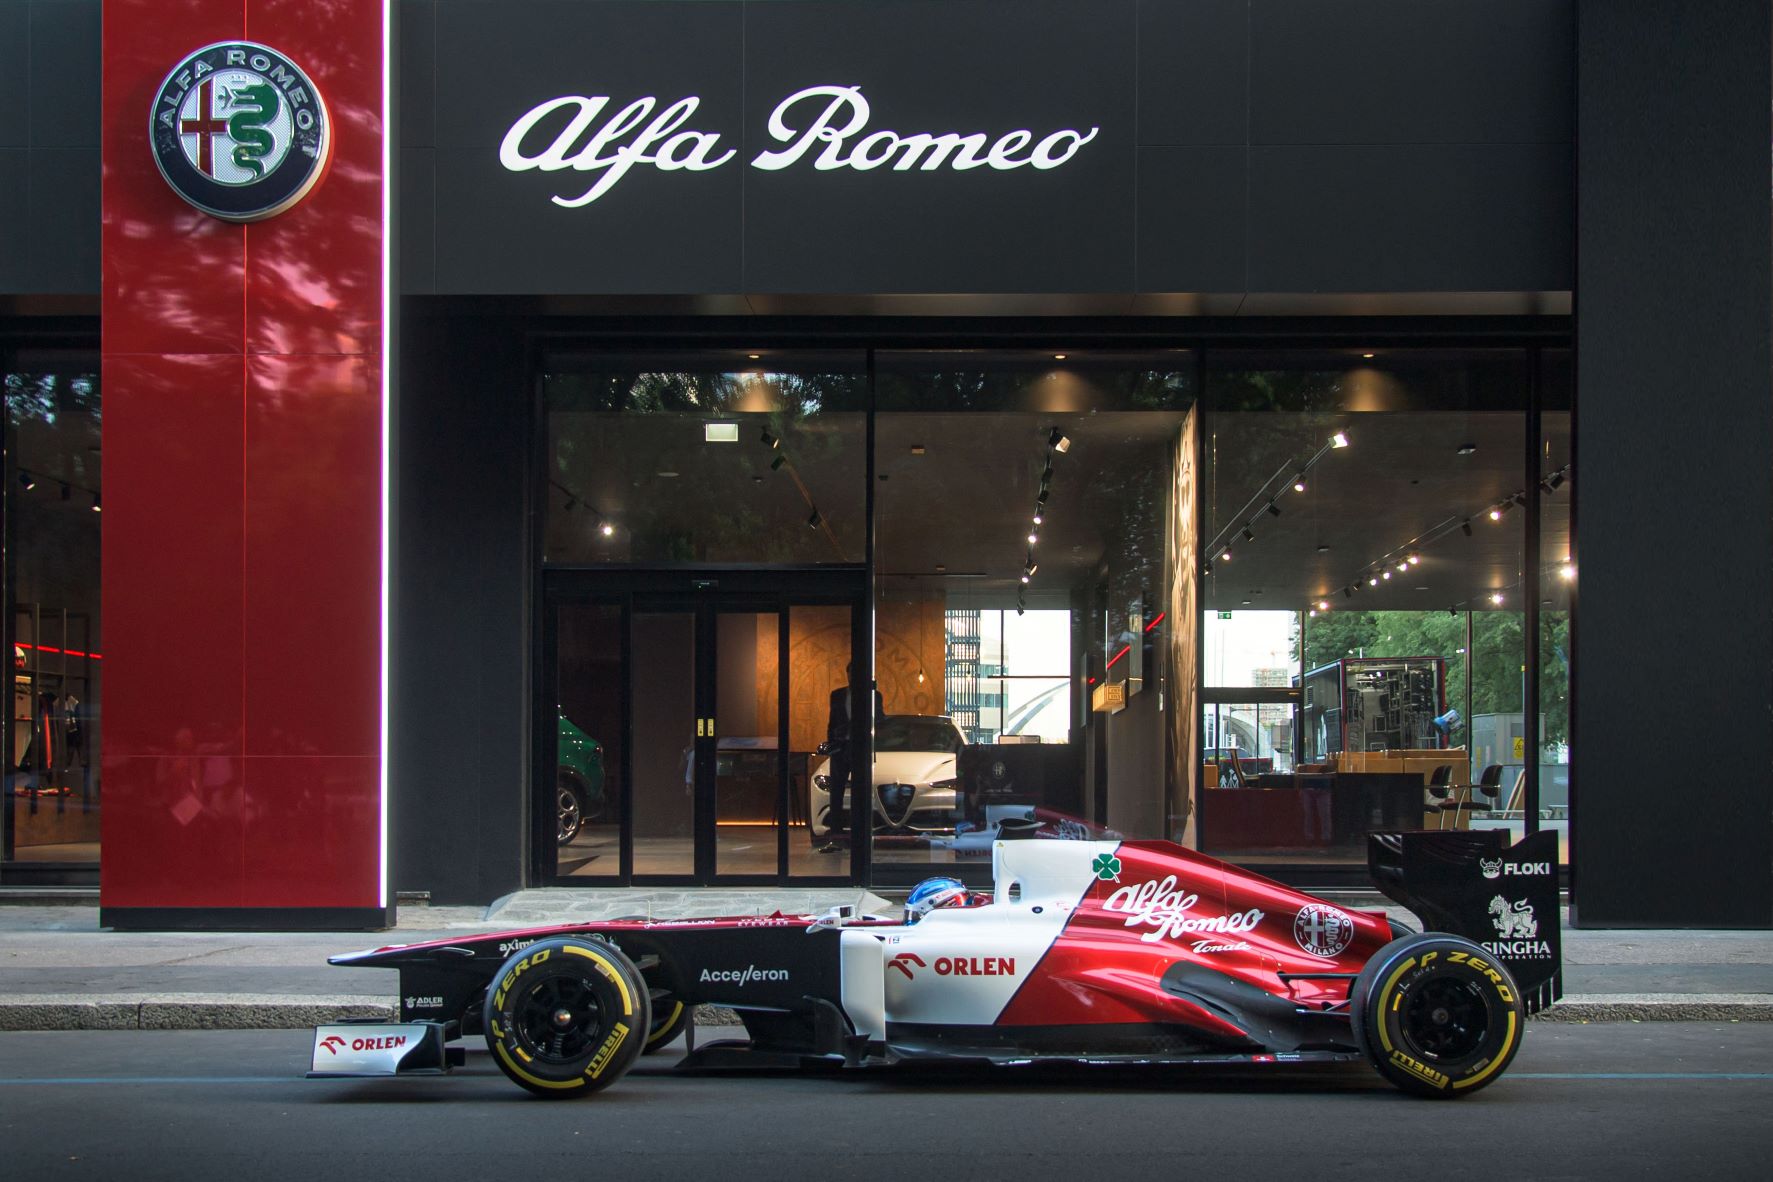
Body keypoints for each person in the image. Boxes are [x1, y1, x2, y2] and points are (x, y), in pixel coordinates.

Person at [824, 662, 884, 838]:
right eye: (849, 674)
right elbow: (832, 722)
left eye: (855, 674)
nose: (852, 677)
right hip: (841, 746)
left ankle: (860, 827)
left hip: (860, 746)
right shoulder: (837, 695)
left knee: (861, 790)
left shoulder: (873, 695)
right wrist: (832, 744)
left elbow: (880, 719)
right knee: (836, 790)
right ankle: (836, 829)